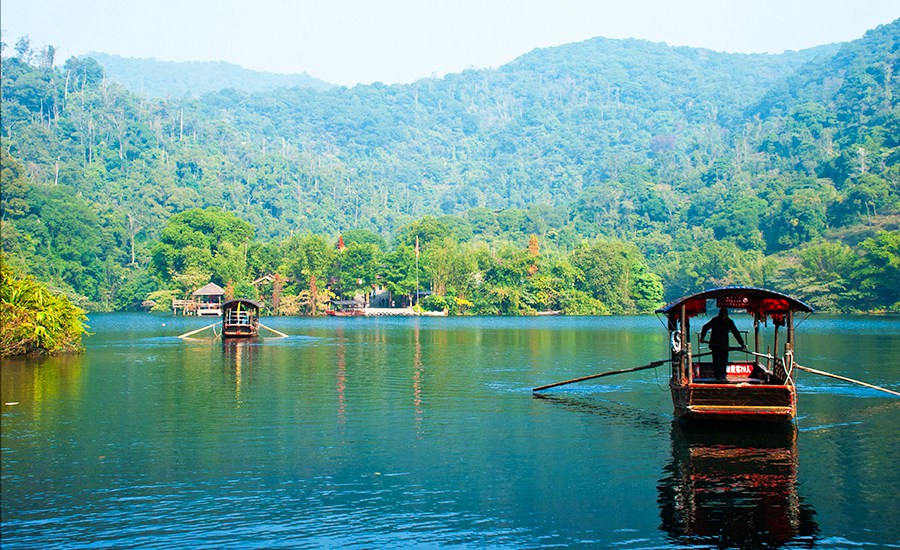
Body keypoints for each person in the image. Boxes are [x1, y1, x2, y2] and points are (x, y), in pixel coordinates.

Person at [700, 308, 745, 381]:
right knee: (716, 361)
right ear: (720, 314)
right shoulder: (715, 320)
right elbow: (705, 327)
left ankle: (723, 375)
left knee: (723, 361)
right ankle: (718, 376)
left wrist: (742, 343)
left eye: (725, 315)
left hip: (724, 345)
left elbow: (736, 333)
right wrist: (702, 336)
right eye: (723, 314)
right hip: (715, 345)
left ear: (727, 315)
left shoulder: (729, 322)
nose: (724, 316)